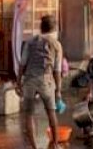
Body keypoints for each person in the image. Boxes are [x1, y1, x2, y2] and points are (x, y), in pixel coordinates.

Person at [16, 15, 63, 149]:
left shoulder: (30, 41)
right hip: (46, 81)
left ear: (41, 27)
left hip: (29, 80)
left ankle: (34, 147)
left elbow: (22, 64)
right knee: (51, 113)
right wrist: (58, 90)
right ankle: (55, 145)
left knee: (29, 115)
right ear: (54, 28)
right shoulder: (56, 44)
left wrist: (18, 83)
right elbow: (57, 70)